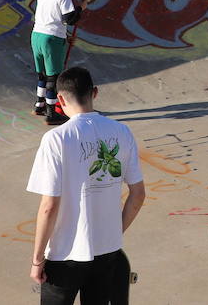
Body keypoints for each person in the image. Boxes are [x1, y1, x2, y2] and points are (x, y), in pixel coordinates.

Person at [27, 66, 146, 304]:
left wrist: (37, 259)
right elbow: (138, 194)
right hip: (107, 251)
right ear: (95, 93)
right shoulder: (122, 132)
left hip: (65, 254)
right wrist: (114, 231)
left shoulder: (57, 139)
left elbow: (49, 206)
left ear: (60, 99)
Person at [33, 0, 89, 126]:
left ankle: (39, 105)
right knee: (54, 78)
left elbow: (50, 17)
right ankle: (51, 113)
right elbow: (68, 19)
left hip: (36, 36)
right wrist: (81, 8)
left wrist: (65, 36)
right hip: (51, 40)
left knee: (42, 75)